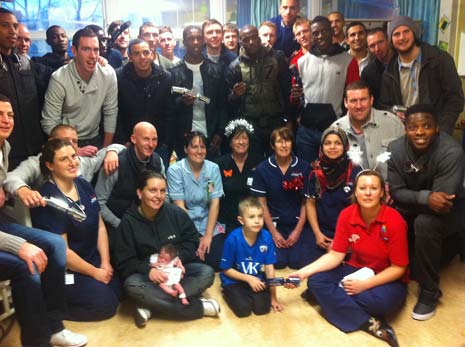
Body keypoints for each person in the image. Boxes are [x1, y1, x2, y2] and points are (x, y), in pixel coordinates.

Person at [0, 94, 87, 347]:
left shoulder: (4, 148)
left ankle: (55, 325)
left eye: (10, 115)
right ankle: (37, 341)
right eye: (0, 115)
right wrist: (20, 246)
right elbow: (16, 177)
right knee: (27, 265)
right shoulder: (32, 163)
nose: (6, 120)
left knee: (56, 245)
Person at [287, 170, 409, 347]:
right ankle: (371, 324)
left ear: (382, 192)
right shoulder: (346, 215)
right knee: (315, 282)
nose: (368, 193)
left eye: (374, 188)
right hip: (356, 268)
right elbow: (336, 255)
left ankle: (330, 300)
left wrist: (365, 285)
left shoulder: (394, 220)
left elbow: (399, 268)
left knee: (382, 303)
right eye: (363, 188)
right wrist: (301, 273)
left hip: (387, 277)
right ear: (355, 192)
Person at [387, 104, 465, 320]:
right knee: (389, 214)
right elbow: (395, 191)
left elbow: (442, 202)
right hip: (412, 207)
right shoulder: (395, 149)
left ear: (437, 128)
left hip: (449, 214)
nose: (420, 132)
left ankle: (429, 292)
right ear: (406, 129)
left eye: (427, 126)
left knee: (425, 222)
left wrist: (414, 197)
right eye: (413, 127)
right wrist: (424, 197)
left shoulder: (451, 152)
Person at [113, 171, 219, 327]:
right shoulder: (128, 223)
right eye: (153, 190)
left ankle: (152, 305)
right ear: (139, 193)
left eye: (162, 191)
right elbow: (124, 262)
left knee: (206, 273)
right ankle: (200, 308)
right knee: (132, 285)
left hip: (176, 274)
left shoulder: (175, 213)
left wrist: (179, 258)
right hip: (147, 279)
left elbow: (191, 241)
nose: (158, 196)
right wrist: (148, 270)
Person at [31, 139, 119, 322]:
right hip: (67, 271)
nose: (72, 163)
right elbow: (63, 254)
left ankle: (96, 285)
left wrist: (105, 262)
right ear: (50, 165)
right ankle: (51, 308)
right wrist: (95, 273)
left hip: (92, 259)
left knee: (121, 288)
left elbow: (100, 226)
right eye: (64, 159)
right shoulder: (48, 200)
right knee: (106, 305)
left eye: (73, 156)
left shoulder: (84, 185)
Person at [4, 124, 123, 209]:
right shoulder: (36, 163)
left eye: (75, 141)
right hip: (49, 216)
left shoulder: (81, 162)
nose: (70, 144)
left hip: (84, 216)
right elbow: (10, 177)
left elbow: (111, 150)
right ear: (51, 141)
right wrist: (23, 190)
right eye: (65, 140)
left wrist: (112, 151)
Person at [380, 16, 464, 133]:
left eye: (406, 32)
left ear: (414, 33)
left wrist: (442, 128)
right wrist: (393, 113)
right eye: (396, 34)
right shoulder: (389, 71)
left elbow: (455, 99)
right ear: (391, 40)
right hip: (406, 133)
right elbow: (384, 105)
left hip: (436, 133)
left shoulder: (440, 60)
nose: (402, 37)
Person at [293, 16, 359, 163]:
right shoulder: (301, 62)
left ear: (332, 32)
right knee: (305, 174)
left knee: (334, 173)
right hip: (306, 130)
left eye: (324, 31)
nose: (320, 36)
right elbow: (294, 97)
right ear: (311, 35)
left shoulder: (348, 61)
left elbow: (354, 97)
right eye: (316, 33)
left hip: (334, 128)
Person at [41, 28, 118, 149]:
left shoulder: (108, 74)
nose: (93, 56)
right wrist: (73, 149)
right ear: (74, 51)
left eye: (96, 50)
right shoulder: (59, 78)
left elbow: (111, 112)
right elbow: (49, 123)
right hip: (65, 143)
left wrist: (106, 149)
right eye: (86, 49)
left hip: (95, 139)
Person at [226, 25, 293, 159]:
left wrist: (290, 120)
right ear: (241, 42)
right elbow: (228, 102)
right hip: (251, 125)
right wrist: (235, 95)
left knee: (279, 162)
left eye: (253, 37)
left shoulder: (277, 58)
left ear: (258, 37)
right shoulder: (235, 66)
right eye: (246, 39)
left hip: (277, 122)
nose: (251, 42)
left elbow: (287, 91)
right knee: (254, 165)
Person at [251, 127, 312, 269]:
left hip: (297, 223)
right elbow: (262, 204)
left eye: (288, 141)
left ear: (292, 143)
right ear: (273, 145)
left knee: (298, 262)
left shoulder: (304, 167)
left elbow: (306, 202)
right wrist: (273, 233)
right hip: (273, 224)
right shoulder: (263, 169)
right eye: (279, 141)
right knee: (278, 262)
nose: (284, 145)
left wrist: (297, 231)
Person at [167, 131, 224, 270]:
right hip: (184, 225)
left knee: (218, 259)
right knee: (192, 258)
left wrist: (208, 236)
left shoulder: (212, 169)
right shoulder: (175, 170)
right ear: (186, 149)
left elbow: (214, 202)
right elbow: (180, 208)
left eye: (203, 147)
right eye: (194, 147)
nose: (199, 151)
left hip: (207, 222)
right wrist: (196, 238)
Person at [169, 25, 227, 158]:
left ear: (203, 40)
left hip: (211, 136)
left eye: (199, 38)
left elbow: (222, 105)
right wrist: (182, 102)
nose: (195, 42)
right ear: (184, 43)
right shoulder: (173, 73)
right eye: (191, 39)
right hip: (184, 139)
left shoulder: (216, 70)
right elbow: (168, 108)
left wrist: (220, 133)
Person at [95, 122, 165, 233]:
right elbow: (98, 203)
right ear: (133, 139)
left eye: (154, 139)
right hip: (116, 226)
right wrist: (122, 225)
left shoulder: (158, 162)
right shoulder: (115, 162)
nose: (151, 144)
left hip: (148, 224)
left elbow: (165, 195)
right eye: (146, 139)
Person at [304, 127, 361, 263]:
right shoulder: (314, 170)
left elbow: (358, 209)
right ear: (321, 146)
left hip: (347, 231)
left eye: (337, 143)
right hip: (321, 231)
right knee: (302, 262)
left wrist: (341, 240)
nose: (332, 147)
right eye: (328, 143)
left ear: (345, 146)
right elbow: (310, 203)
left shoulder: (355, 170)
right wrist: (317, 234)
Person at [220, 196, 283, 317]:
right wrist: (249, 279)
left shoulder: (266, 237)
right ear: (241, 220)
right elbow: (226, 269)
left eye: (260, 216)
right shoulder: (232, 239)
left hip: (256, 277)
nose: (257, 221)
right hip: (234, 280)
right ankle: (229, 292)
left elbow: (269, 268)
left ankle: (254, 292)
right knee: (243, 310)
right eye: (252, 217)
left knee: (262, 309)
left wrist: (274, 297)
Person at [114, 38, 173, 164]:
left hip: (158, 144)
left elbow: (169, 112)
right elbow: (116, 112)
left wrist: (164, 141)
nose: (142, 57)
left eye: (146, 52)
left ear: (152, 54)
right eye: (136, 54)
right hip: (128, 143)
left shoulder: (165, 77)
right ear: (130, 57)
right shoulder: (119, 77)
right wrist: (123, 141)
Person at [331, 80, 404, 178]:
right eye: (353, 101)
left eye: (363, 99)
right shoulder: (336, 130)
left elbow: (406, 161)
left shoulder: (393, 124)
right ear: (345, 103)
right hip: (350, 191)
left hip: (390, 189)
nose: (359, 106)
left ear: (371, 100)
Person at [0, 8, 44, 169]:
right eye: (5, 25)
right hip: (6, 154)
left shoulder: (25, 63)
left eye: (14, 26)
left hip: (34, 150)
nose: (12, 31)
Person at [215, 119, 261, 233]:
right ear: (230, 143)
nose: (241, 142)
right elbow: (211, 191)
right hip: (227, 221)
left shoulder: (259, 162)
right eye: (237, 138)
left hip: (253, 219)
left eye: (245, 138)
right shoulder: (219, 164)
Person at [361, 28, 394, 108]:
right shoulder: (368, 72)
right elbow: (370, 100)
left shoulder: (402, 60)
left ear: (388, 40)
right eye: (372, 46)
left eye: (380, 42)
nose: (377, 49)